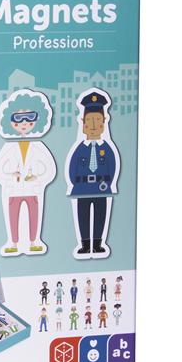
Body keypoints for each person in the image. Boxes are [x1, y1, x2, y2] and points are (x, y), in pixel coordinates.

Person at [0, 90, 56, 255]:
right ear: (9, 122)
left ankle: (34, 242)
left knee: (34, 215)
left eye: (29, 118)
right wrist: (10, 176)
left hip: (32, 189)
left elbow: (50, 169)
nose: (24, 123)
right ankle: (13, 243)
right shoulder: (8, 147)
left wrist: (38, 178)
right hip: (13, 190)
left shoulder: (39, 146)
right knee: (13, 215)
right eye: (18, 119)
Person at [66, 89, 120, 259]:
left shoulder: (106, 149)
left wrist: (109, 183)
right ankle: (85, 244)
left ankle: (97, 244)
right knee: (82, 215)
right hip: (82, 188)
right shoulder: (80, 149)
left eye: (97, 120)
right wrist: (75, 183)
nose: (94, 125)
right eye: (90, 121)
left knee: (100, 215)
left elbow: (112, 167)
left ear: (104, 123)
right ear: (83, 124)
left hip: (101, 188)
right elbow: (72, 168)